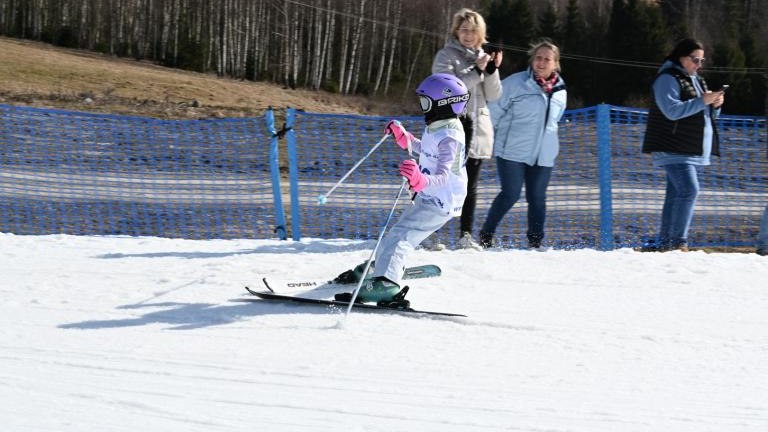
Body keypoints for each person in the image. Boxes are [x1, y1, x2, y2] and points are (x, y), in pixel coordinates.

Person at [337, 73, 470, 304]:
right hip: (428, 194)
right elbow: (427, 150)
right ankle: (380, 268)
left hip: (441, 201)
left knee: (402, 238)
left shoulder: (450, 136)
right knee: (398, 233)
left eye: (426, 102)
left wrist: (420, 180)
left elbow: (444, 175)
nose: (423, 107)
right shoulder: (438, 126)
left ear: (443, 105)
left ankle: (387, 284)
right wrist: (406, 138)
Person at [478, 40, 567, 249]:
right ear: (532, 60)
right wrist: (486, 139)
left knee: (537, 198)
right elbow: (493, 112)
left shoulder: (561, 90)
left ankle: (535, 242)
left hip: (543, 155)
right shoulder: (515, 83)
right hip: (512, 151)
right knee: (511, 194)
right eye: (538, 58)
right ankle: (486, 234)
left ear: (555, 64)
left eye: (547, 59)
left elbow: (554, 121)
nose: (541, 63)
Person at [641, 38, 724, 252]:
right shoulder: (667, 79)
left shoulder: (697, 80)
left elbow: (702, 112)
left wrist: (715, 106)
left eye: (702, 60)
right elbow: (672, 111)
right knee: (689, 190)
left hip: (689, 148)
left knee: (676, 194)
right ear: (681, 57)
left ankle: (665, 243)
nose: (699, 64)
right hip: (672, 146)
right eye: (695, 59)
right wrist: (702, 101)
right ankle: (679, 242)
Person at [429, 8, 502, 250]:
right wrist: (477, 70)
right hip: (450, 126)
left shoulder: (484, 56)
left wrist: (491, 70)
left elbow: (494, 94)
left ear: (481, 34)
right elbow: (449, 88)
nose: (469, 35)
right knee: (442, 180)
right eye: (464, 30)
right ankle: (429, 234)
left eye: (473, 31)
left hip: (478, 128)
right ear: (456, 32)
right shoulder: (446, 55)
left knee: (469, 184)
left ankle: (466, 235)